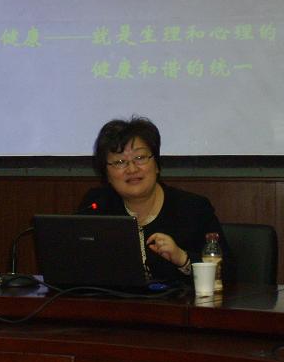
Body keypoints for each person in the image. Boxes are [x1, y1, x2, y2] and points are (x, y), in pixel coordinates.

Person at [77, 116, 235, 285]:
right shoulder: (96, 206)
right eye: (120, 162)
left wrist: (183, 259)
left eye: (140, 158)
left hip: (178, 301)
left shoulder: (193, 209)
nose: (132, 169)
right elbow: (74, 264)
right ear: (107, 174)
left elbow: (228, 271)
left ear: (157, 165)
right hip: (111, 301)